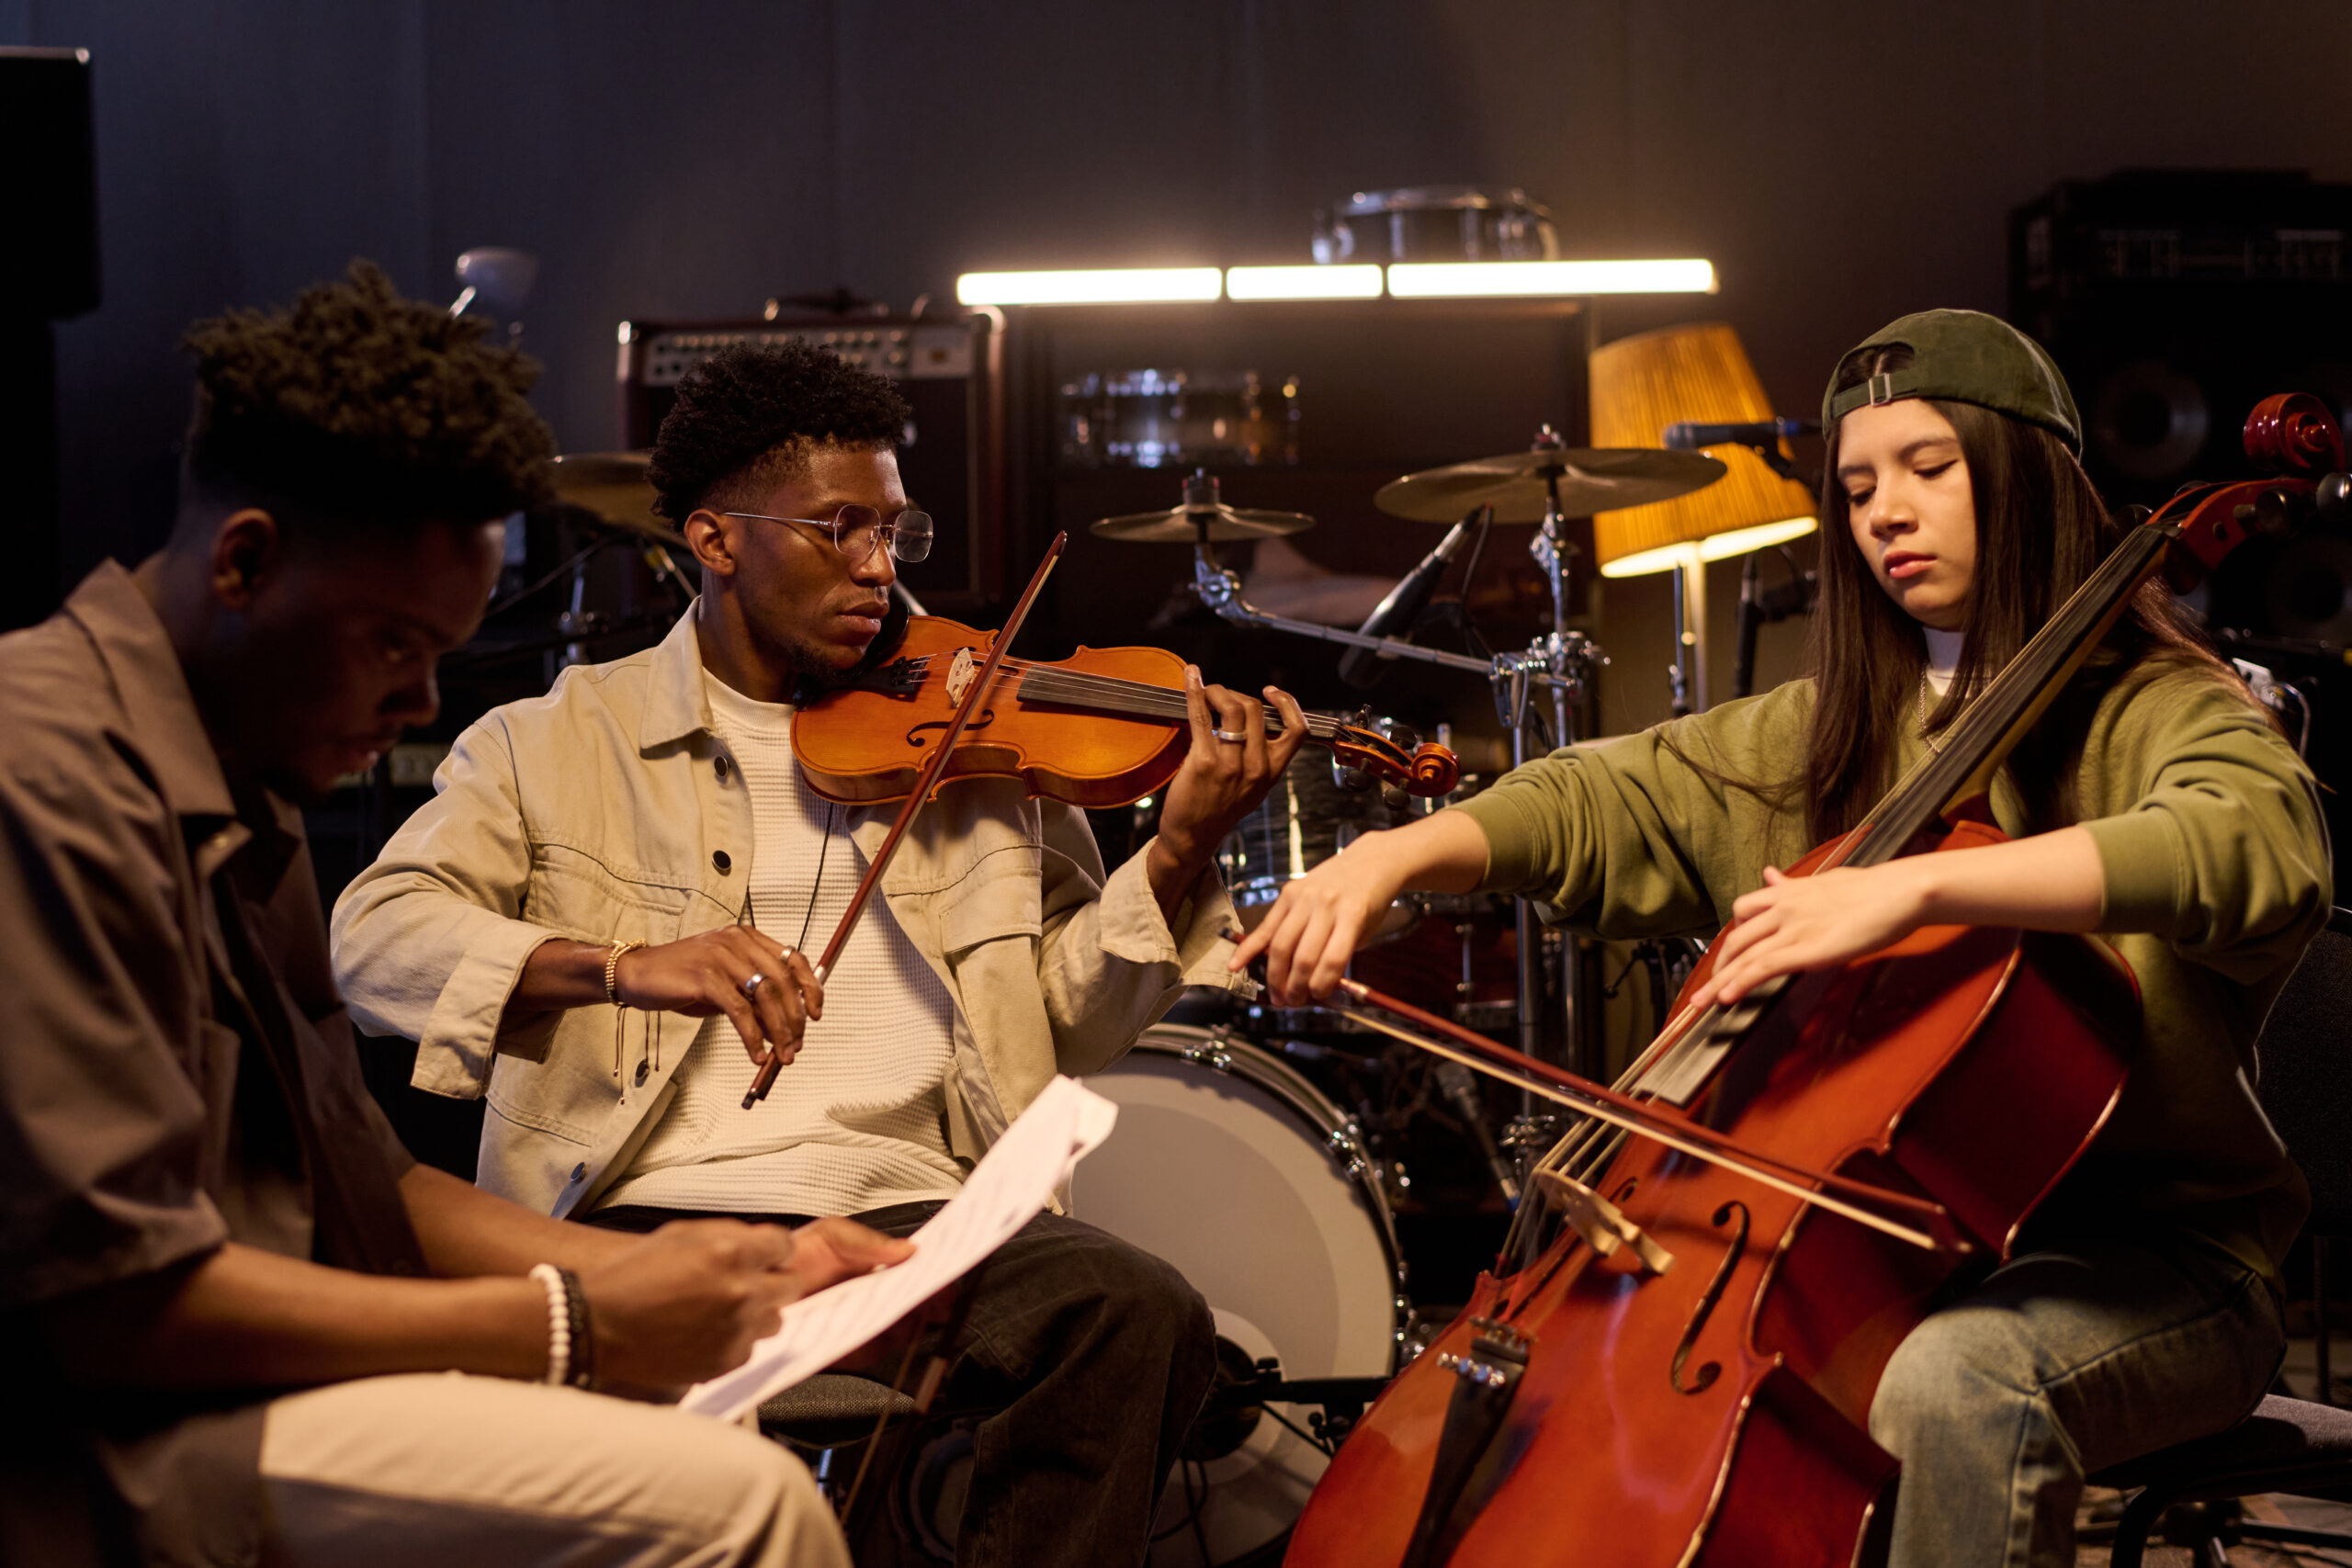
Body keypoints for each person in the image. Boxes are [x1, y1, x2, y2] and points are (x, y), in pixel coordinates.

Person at [1234, 309, 2332, 1568]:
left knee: (1955, 1384)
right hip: (1891, 1253)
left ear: (2026, 479)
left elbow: (2260, 848)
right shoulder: (1832, 727)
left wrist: (1920, 892)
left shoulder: (2159, 707)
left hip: (2158, 1264)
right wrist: (1394, 855)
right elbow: (1609, 794)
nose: (1885, 513)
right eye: (1858, 486)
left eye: (1930, 468)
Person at [331, 339, 1306, 1566]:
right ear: (717, 538)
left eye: (894, 533)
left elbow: (1063, 1021)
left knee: (1137, 1311)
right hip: (637, 1213)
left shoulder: (976, 743)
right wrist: (625, 963)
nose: (875, 569)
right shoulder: (551, 742)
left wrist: (1175, 857)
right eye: (838, 529)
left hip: (906, 1222)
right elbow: (374, 940)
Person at [0, 264, 914, 1568]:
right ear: (246, 559)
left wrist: (704, 1271)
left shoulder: (233, 766)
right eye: (393, 646)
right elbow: (116, 1309)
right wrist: (572, 1327)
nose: (423, 705)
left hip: (209, 1388)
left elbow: (372, 1189)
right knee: (744, 1502)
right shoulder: (41, 772)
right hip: (88, 1441)